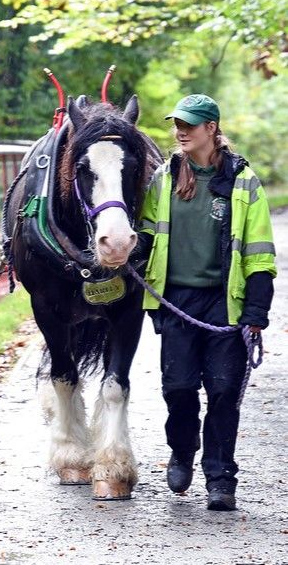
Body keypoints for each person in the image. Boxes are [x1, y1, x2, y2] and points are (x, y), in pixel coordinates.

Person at [138, 94, 276, 511]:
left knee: (223, 391)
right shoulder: (164, 178)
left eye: (190, 124)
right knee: (178, 389)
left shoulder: (243, 181)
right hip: (177, 301)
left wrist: (256, 311)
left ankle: (220, 478)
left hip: (224, 305)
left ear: (211, 128)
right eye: (177, 123)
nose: (180, 131)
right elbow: (147, 232)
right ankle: (182, 451)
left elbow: (260, 252)